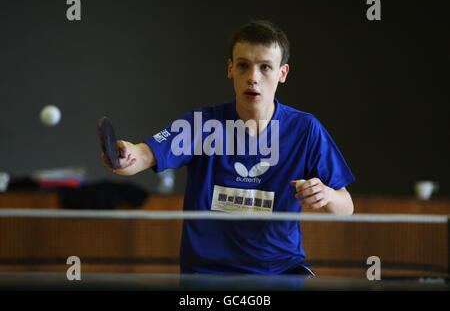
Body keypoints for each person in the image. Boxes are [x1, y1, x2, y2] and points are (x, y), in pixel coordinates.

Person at [101, 20, 355, 275]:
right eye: (244, 65)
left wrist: (328, 195)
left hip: (279, 273)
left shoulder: (305, 130)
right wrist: (124, 156)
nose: (253, 78)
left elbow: (346, 208)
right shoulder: (201, 125)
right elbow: (142, 155)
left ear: (282, 73)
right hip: (207, 274)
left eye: (265, 67)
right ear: (231, 68)